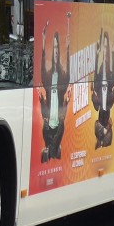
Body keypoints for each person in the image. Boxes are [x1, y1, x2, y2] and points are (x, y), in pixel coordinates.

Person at [37, 15, 71, 162]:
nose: (56, 51)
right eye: (55, 47)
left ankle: (52, 151)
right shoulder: (48, 76)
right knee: (50, 151)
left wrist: (68, 47)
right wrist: (44, 41)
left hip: (58, 126)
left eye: (58, 47)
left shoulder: (64, 76)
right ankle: (54, 151)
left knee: (48, 154)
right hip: (48, 126)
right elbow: (42, 68)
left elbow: (68, 68)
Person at [91, 29, 114, 149]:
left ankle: (103, 138)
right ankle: (102, 137)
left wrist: (113, 52)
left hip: (106, 107)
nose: (105, 51)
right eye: (104, 48)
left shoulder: (111, 73)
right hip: (101, 107)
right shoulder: (99, 70)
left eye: (107, 48)